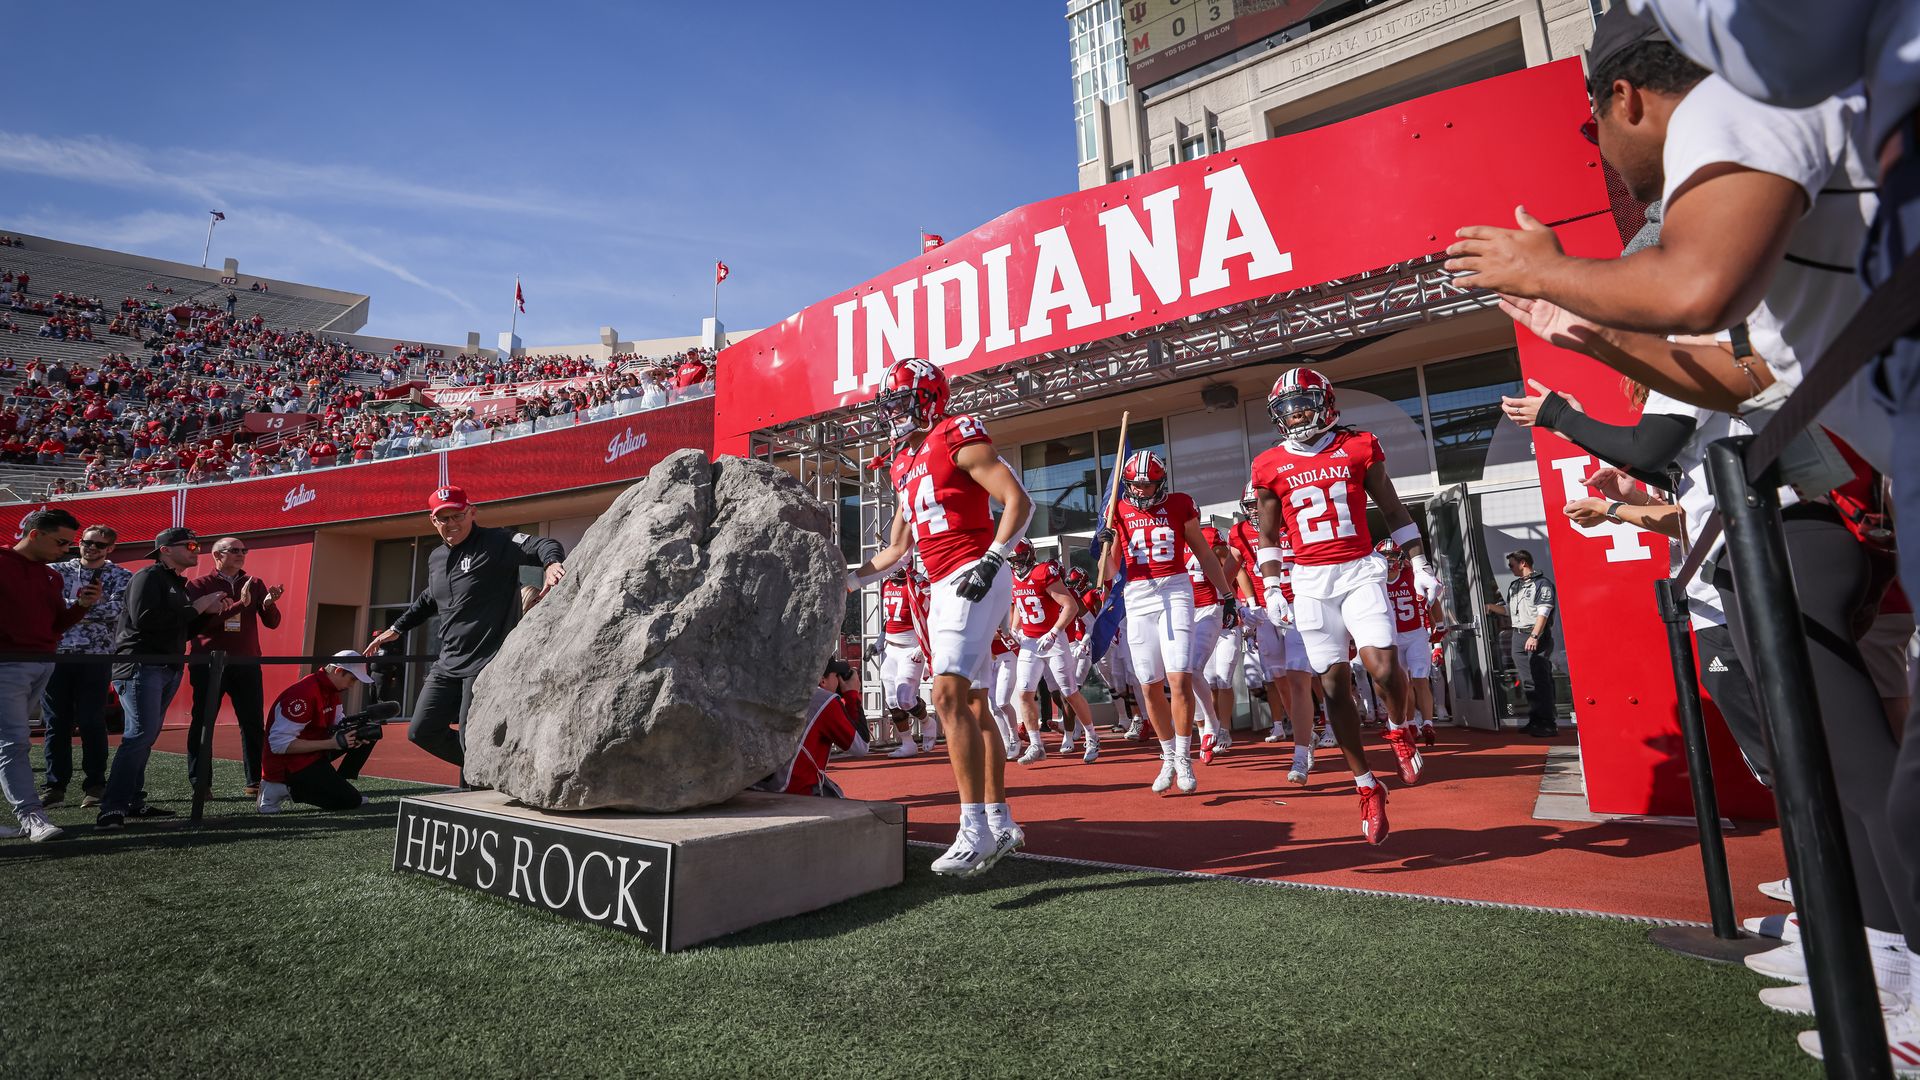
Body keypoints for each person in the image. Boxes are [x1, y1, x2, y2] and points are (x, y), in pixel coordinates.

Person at [846, 356, 1035, 877]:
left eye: (901, 403)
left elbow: (1017, 501)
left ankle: (971, 828)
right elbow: (896, 551)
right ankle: (999, 820)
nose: (893, 415)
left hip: (973, 568)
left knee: (947, 695)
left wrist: (995, 558)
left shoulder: (956, 432)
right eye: (889, 406)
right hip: (945, 581)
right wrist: (846, 579)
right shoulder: (901, 463)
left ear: (928, 400)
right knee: (973, 705)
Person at [1250, 368, 1439, 844]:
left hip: (1359, 569)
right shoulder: (1269, 464)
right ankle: (1365, 784)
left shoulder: (1359, 445)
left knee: (1382, 663)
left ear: (1326, 401)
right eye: (1288, 408)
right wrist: (1271, 588)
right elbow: (1268, 537)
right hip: (1310, 582)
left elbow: (1394, 511)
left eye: (1304, 403)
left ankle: (1399, 728)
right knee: (1333, 685)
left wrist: (1420, 565)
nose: (1296, 414)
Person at [365, 487, 565, 778]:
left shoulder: (496, 541)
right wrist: (397, 628)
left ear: (472, 512)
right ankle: (485, 771)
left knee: (469, 736)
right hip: (447, 663)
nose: (451, 523)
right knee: (421, 730)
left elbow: (543, 544)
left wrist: (551, 564)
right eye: (443, 518)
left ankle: (475, 782)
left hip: (486, 660)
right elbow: (429, 598)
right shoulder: (435, 558)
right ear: (433, 521)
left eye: (457, 515)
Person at [1096, 450, 1235, 794]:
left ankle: (1185, 757)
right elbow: (1109, 573)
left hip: (1175, 588)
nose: (1141, 492)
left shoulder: (1179, 504)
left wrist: (1226, 594)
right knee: (1148, 683)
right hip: (1139, 593)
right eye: (1135, 486)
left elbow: (1203, 553)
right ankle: (1167, 755)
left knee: (1181, 677)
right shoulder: (1118, 509)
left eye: (1147, 485)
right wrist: (1106, 543)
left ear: (1161, 483)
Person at [99, 527, 225, 829]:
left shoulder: (175, 583)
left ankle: (131, 802)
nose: (196, 550)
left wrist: (206, 613)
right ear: (165, 549)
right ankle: (111, 809)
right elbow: (145, 620)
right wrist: (196, 606)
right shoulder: (148, 576)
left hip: (166, 665)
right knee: (140, 735)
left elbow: (181, 630)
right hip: (141, 664)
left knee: (145, 736)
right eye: (190, 545)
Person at [1, 508, 101, 841]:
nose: (66, 550)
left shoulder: (52, 576)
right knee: (14, 742)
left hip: (42, 663)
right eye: (61, 542)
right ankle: (31, 816)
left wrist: (82, 607)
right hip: (7, 664)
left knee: (9, 743)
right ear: (35, 535)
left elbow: (56, 626)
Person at [187, 537, 284, 798]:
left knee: (252, 722)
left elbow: (272, 623)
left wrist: (268, 604)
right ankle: (201, 783)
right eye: (235, 550)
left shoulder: (255, 583)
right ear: (217, 556)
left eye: (244, 550)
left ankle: (255, 781)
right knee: (203, 722)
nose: (241, 554)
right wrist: (240, 604)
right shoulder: (199, 585)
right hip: (209, 663)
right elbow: (199, 626)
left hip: (246, 662)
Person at [41, 523, 130, 807]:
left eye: (99, 545)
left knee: (92, 721)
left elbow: (118, 610)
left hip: (97, 656)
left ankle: (95, 785)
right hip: (57, 654)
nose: (90, 548)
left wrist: (77, 607)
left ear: (110, 549)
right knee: (56, 722)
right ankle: (55, 786)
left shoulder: (120, 575)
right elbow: (48, 606)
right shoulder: (58, 570)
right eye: (86, 542)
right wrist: (84, 604)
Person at [1006, 541, 1098, 766]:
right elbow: (1018, 604)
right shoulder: (1013, 577)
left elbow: (1070, 606)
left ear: (1029, 556)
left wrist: (1054, 632)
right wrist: (1015, 629)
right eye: (1013, 561)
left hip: (1053, 642)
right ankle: (1036, 745)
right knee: (1025, 693)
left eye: (1019, 559)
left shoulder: (1043, 572)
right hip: (1029, 642)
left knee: (1069, 693)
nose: (1016, 565)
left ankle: (1092, 736)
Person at [257, 651, 379, 813]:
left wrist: (357, 733)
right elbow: (278, 745)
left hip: (311, 753)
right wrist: (331, 743)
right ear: (337, 671)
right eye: (353, 679)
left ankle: (337, 783)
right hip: (288, 763)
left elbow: (338, 723)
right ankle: (278, 787)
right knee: (350, 800)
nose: (352, 685)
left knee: (368, 733)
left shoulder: (331, 691)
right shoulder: (304, 693)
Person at [758, 659, 868, 797]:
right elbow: (861, 747)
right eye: (837, 676)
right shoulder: (823, 700)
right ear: (822, 681)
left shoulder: (774, 690)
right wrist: (851, 694)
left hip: (757, 786)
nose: (840, 682)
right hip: (793, 789)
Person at [1484, 550, 1559, 737]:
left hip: (1535, 634)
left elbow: (1543, 613)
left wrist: (1534, 636)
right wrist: (1489, 607)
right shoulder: (1514, 586)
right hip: (1518, 635)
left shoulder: (1542, 584)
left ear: (1523, 563)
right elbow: (1510, 611)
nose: (1510, 569)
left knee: (1541, 679)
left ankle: (1549, 723)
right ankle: (1535, 720)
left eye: (1512, 565)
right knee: (1528, 681)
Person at [1186, 524, 1240, 764]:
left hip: (1215, 610)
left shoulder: (1208, 535)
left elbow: (1234, 567)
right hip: (1187, 613)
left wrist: (1238, 599)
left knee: (1223, 677)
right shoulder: (1169, 539)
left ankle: (1223, 728)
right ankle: (1205, 729)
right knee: (1197, 676)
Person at [1379, 540, 1441, 747]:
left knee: (1420, 680)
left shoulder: (1413, 575)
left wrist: (1438, 627)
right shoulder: (1374, 581)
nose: (1389, 561)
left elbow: (1432, 601)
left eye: (1392, 556)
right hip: (1392, 638)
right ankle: (1412, 723)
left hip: (1415, 634)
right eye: (1385, 557)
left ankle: (1428, 723)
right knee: (1402, 685)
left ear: (1401, 558)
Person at [877, 567, 934, 757]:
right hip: (890, 648)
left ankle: (927, 723)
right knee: (892, 700)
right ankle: (908, 743)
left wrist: (923, 645)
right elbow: (888, 618)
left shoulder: (917, 584)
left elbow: (932, 615)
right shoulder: (886, 584)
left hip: (911, 648)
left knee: (905, 699)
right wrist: (879, 641)